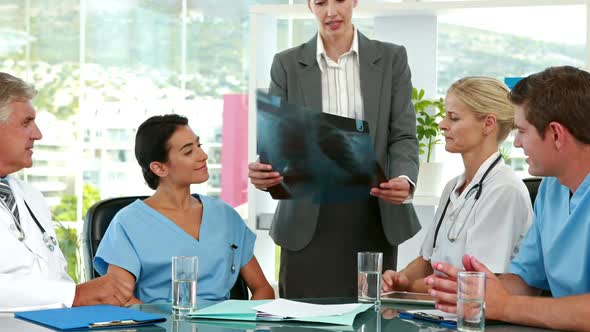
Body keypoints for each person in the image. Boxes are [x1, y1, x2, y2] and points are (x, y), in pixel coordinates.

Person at [248, 0, 420, 298]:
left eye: (339, 0)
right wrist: (266, 173)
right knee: (301, 319)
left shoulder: (391, 58)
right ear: (308, 6)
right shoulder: (286, 64)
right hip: (306, 219)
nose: (331, 12)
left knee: (371, 317)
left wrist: (405, 178)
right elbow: (279, 141)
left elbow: (403, 135)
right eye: (320, 2)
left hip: (372, 216)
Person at [426, 66, 590, 331]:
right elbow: (524, 280)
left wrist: (506, 306)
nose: (516, 143)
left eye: (522, 131)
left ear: (556, 135)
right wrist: (475, 294)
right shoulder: (551, 190)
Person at [95, 114, 274, 303]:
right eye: (189, 152)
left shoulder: (225, 215)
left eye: (199, 146)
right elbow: (120, 298)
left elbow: (262, 289)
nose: (203, 156)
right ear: (159, 168)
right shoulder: (128, 222)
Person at [382, 77, 533, 293]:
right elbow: (427, 261)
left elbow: (475, 283)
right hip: (441, 316)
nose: (442, 125)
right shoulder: (453, 187)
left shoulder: (504, 190)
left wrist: (406, 289)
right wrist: (399, 279)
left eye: (453, 118)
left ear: (488, 124)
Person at [0, 72, 134, 311]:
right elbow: (68, 293)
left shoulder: (32, 197)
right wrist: (76, 295)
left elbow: (57, 277)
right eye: (25, 122)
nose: (37, 134)